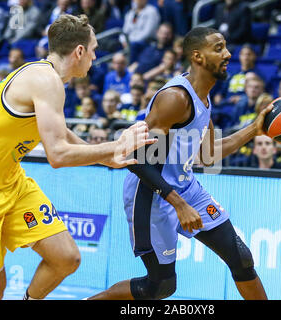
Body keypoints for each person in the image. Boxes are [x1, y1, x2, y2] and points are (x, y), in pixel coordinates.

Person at [0, 14, 154, 300]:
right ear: (79, 51)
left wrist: (105, 158)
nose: (95, 55)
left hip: (10, 184)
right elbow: (57, 155)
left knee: (66, 257)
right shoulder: (45, 80)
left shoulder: (49, 78)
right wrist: (116, 146)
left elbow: (60, 132)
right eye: (93, 48)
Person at [87, 27, 269, 300]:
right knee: (160, 286)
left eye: (225, 47)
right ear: (197, 56)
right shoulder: (175, 98)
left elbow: (209, 155)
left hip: (185, 188)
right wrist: (178, 204)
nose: (228, 54)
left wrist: (254, 129)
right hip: (151, 194)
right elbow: (135, 158)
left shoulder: (204, 98)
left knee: (241, 258)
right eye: (218, 48)